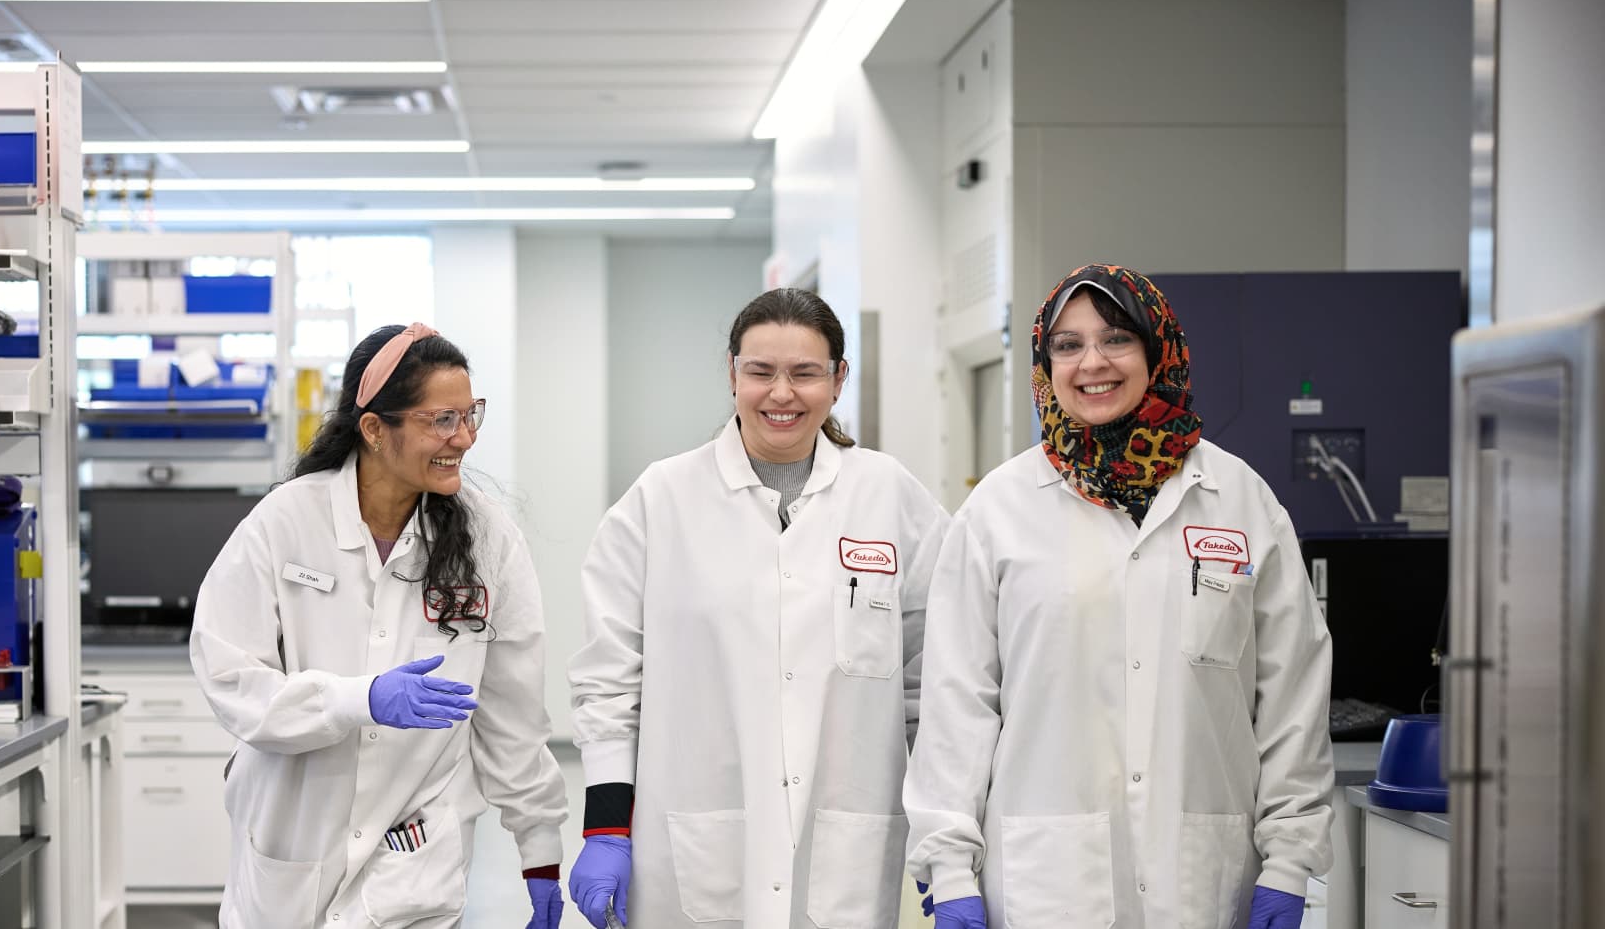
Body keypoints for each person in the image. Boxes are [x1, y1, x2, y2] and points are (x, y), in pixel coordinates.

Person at [904, 264, 1335, 929]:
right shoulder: (997, 510)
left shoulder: (1240, 499)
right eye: (1068, 345)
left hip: (1202, 878)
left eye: (1116, 339)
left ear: (1158, 350)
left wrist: (1288, 857)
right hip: (1044, 884)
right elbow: (958, 703)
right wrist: (950, 863)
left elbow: (1291, 695)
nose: (1092, 363)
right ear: (1046, 364)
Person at [567, 288, 948, 928]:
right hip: (693, 833)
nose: (781, 394)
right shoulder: (661, 500)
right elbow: (607, 683)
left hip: (846, 840)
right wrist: (606, 825)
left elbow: (934, 682)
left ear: (838, 379)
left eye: (804, 373)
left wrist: (948, 833)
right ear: (732, 373)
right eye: (760, 372)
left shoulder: (892, 497)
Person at [190, 323, 569, 929]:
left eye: (471, 415)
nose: (465, 438)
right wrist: (353, 699)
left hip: (415, 862)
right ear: (373, 429)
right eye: (442, 420)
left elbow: (512, 712)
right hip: (293, 840)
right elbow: (230, 677)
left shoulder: (488, 539)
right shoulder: (286, 522)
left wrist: (541, 847)